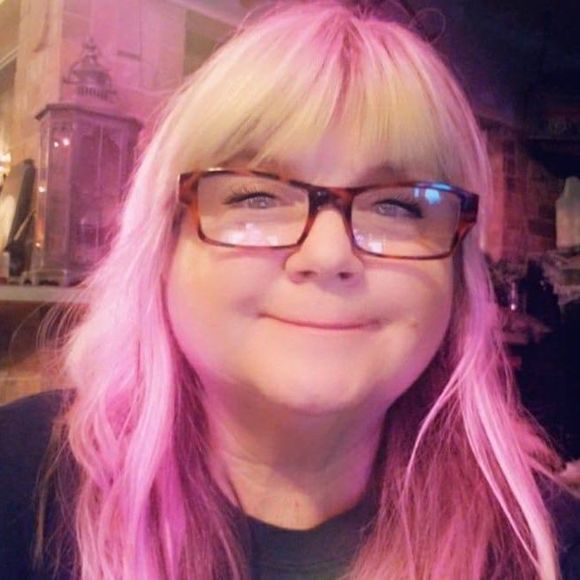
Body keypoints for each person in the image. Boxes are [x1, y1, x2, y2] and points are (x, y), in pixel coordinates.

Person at [1, 1, 579, 578]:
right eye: (256, 197)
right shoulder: (18, 480)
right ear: (164, 246)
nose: (327, 257)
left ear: (457, 277)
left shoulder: (545, 546)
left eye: (398, 207)